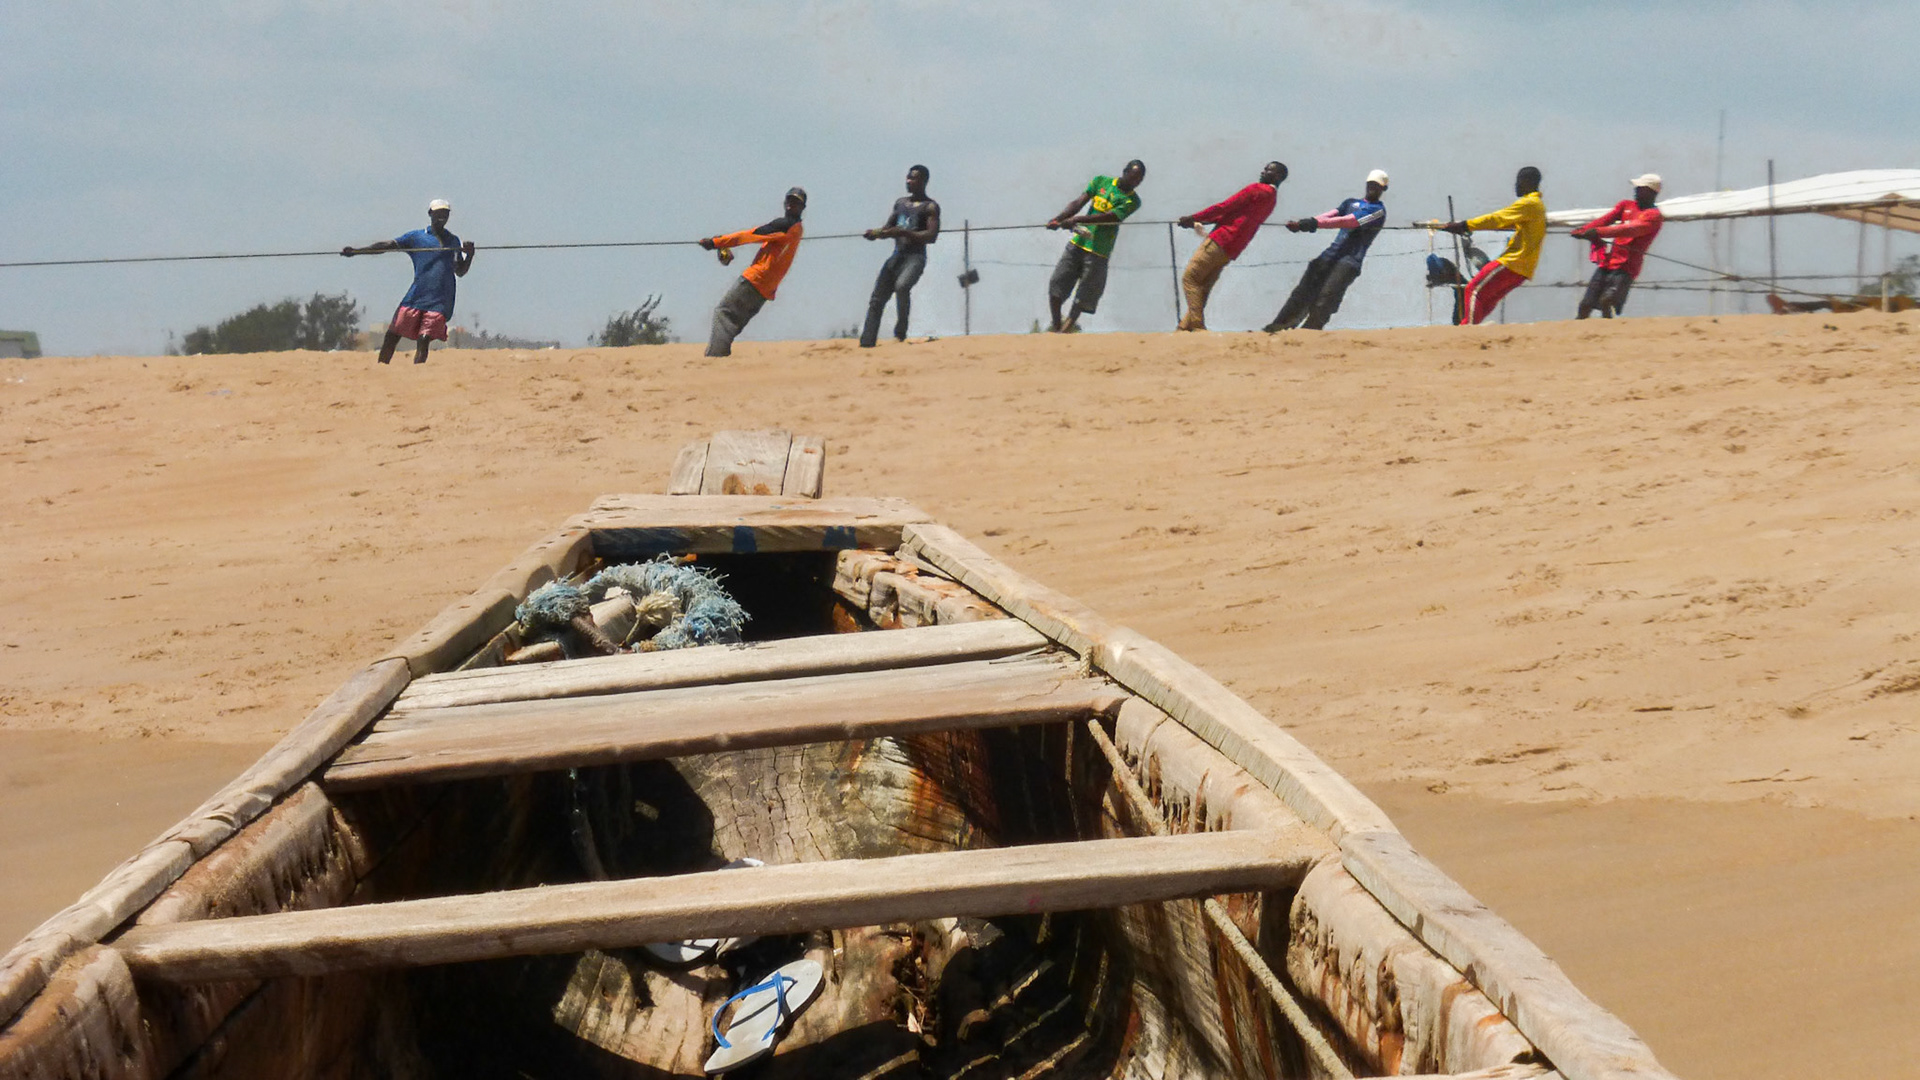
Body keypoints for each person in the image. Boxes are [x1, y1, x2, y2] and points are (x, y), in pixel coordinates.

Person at [341, 199, 474, 364]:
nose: (442, 216)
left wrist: (470, 255)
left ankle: (418, 373)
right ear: (430, 214)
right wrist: (357, 251)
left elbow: (460, 271)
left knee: (424, 339)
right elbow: (387, 245)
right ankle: (380, 369)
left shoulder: (453, 241)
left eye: (445, 213)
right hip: (416, 296)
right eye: (438, 213)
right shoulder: (416, 237)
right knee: (393, 334)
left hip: (440, 300)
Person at [1263, 169, 1390, 332]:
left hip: (1349, 261)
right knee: (1303, 291)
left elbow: (1349, 221)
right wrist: (1305, 223)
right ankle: (1278, 327)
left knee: (1327, 296)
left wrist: (1314, 224)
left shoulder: (1377, 211)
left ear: (1383, 189)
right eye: (1371, 184)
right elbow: (1330, 215)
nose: (1373, 188)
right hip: (1330, 254)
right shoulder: (1350, 203)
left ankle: (1310, 331)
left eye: (1377, 186)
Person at [1174, 161, 1287, 331]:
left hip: (1221, 239)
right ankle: (1185, 327)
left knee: (1191, 278)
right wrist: (1202, 220)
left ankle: (1197, 325)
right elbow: (1236, 214)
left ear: (1277, 176)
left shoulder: (1256, 189)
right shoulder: (1272, 199)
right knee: (1203, 286)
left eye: (1268, 170)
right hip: (1234, 247)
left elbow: (1225, 207)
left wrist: (1194, 218)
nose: (1263, 172)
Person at [700, 188, 806, 358]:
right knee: (733, 322)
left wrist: (716, 242)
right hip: (766, 289)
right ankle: (719, 357)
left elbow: (750, 235)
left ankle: (715, 358)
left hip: (755, 280)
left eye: (796, 203)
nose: (790, 205)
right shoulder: (797, 229)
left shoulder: (784, 226)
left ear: (802, 207)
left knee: (723, 313)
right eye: (789, 201)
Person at [1045, 160, 1145, 332]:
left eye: (1139, 179)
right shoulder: (1101, 182)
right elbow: (1078, 202)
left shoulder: (1133, 201)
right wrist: (1059, 219)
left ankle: (1065, 330)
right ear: (1125, 172)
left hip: (1099, 250)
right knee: (1056, 286)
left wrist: (1077, 220)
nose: (1135, 182)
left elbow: (1111, 217)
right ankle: (1056, 326)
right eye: (1133, 177)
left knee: (1083, 296)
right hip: (1078, 243)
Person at [1442, 166, 1546, 326]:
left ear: (1527, 182)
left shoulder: (1529, 203)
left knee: (1472, 289)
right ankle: (1469, 328)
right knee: (1486, 300)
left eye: (1519, 181)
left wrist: (1465, 225)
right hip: (1525, 268)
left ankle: (1467, 330)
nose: (1516, 186)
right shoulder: (1537, 206)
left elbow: (1497, 218)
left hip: (1513, 261)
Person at [859, 165, 941, 347]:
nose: (909, 181)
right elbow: (889, 228)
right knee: (877, 298)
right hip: (897, 256)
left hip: (915, 257)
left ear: (924, 181)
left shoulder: (930, 207)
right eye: (908, 178)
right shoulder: (901, 203)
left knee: (902, 287)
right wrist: (876, 233)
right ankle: (867, 341)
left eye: (913, 178)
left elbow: (931, 236)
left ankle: (900, 334)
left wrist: (905, 233)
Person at [1571, 174, 1664, 319]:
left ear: (1651, 192)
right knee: (1586, 304)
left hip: (1626, 267)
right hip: (1607, 263)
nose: (1635, 190)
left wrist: (1598, 232)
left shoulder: (1653, 216)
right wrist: (1584, 230)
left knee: (1607, 300)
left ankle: (1608, 326)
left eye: (1640, 188)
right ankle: (1578, 328)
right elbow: (1605, 220)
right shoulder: (1626, 205)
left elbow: (1630, 230)